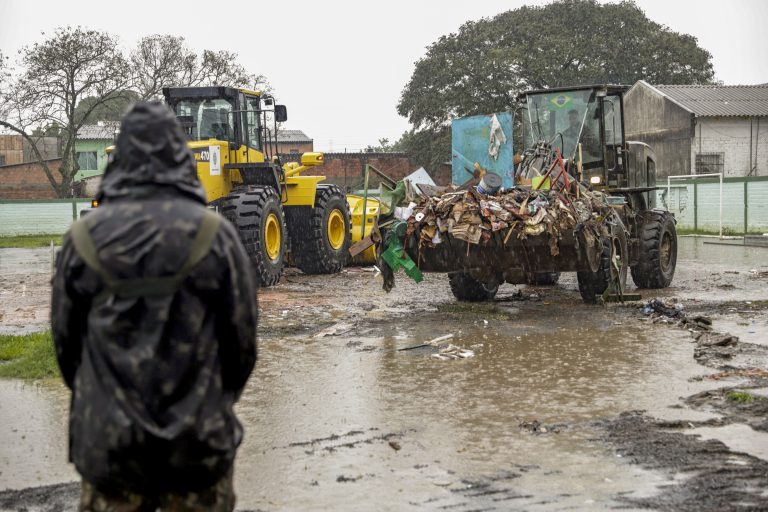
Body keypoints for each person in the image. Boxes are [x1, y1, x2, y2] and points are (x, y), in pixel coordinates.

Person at [51, 102, 258, 511]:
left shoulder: (83, 239)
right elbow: (242, 345)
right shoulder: (216, 236)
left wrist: (105, 401)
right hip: (198, 448)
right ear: (180, 154)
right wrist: (212, 401)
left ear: (120, 156)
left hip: (111, 449)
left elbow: (66, 349)